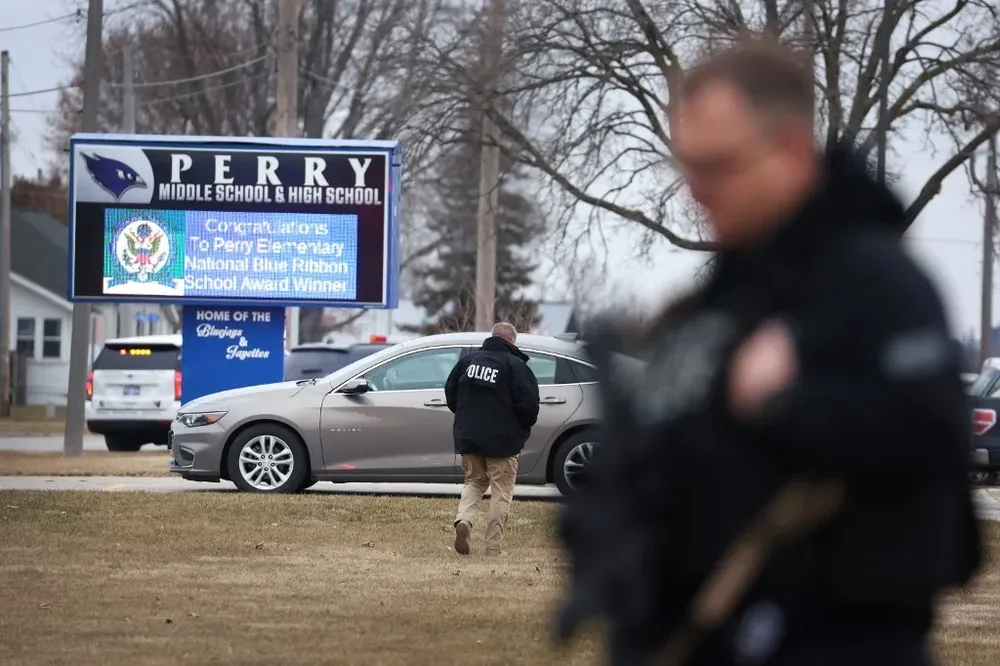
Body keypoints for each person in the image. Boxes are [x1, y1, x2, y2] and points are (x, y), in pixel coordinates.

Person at [557, 37, 981, 666]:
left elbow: (935, 435)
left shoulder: (872, 280)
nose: (694, 192)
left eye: (717, 166)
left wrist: (785, 403)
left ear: (789, 150)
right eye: (687, 166)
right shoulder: (727, 296)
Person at [445, 322, 540, 556]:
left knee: (474, 482)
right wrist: (520, 428)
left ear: (493, 337)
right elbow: (529, 406)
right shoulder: (516, 366)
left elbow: (451, 394)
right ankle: (493, 547)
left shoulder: (467, 362)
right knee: (501, 490)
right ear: (511, 341)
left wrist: (466, 419)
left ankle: (464, 520)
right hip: (503, 441)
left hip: (469, 437)